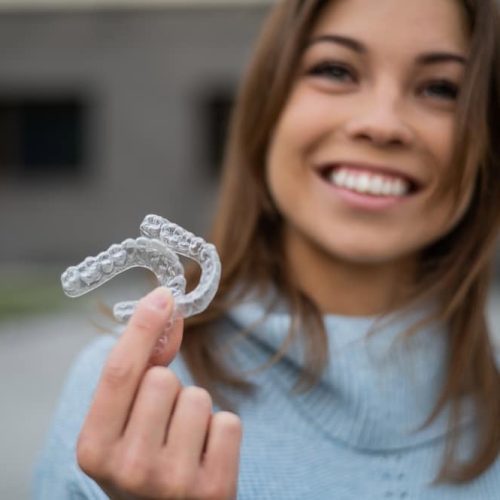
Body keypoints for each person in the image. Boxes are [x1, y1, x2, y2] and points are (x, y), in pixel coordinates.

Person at [34, 0, 500, 498]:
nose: (381, 124)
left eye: (440, 88)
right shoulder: (123, 400)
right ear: (267, 106)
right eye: (336, 70)